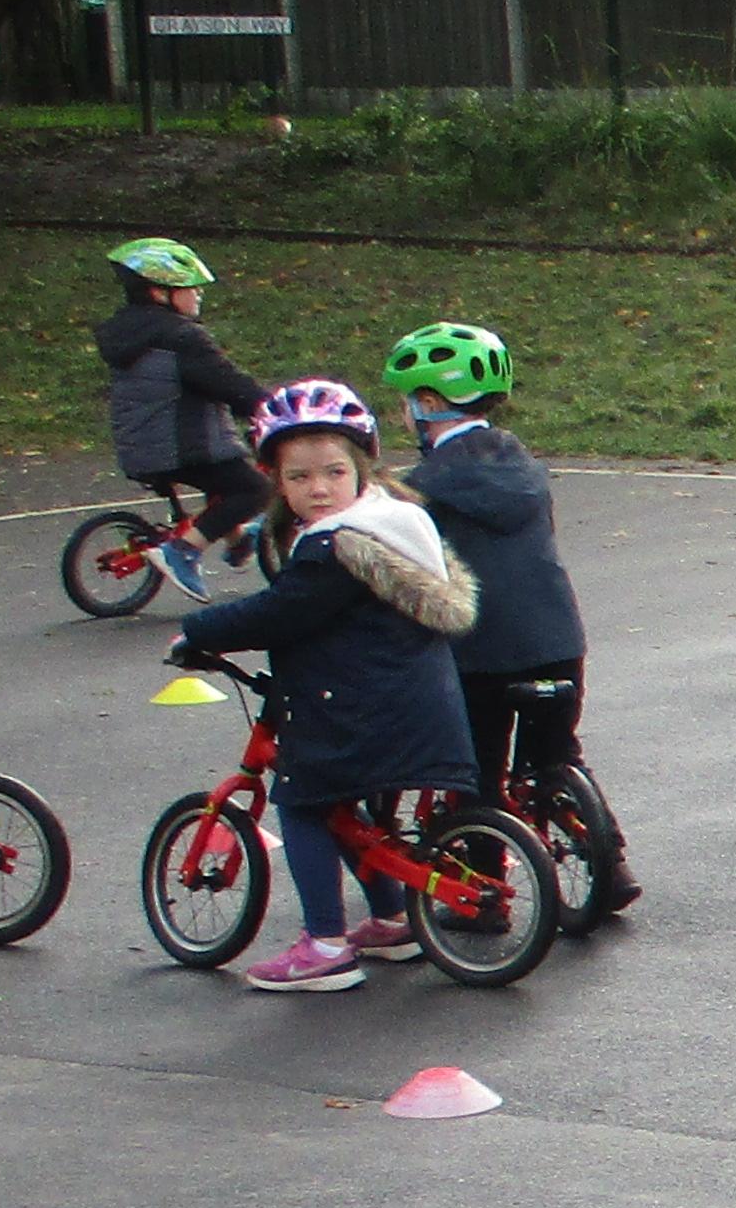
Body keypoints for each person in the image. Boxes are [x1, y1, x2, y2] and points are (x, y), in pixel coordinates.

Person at [167, 380, 482, 990]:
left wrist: (197, 631)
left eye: (334, 472)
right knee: (344, 806)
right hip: (418, 705)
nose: (318, 489)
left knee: (301, 803)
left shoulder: (336, 547)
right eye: (300, 477)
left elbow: (279, 612)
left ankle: (325, 946)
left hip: (356, 711)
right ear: (278, 482)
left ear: (361, 469)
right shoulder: (400, 523)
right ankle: (392, 919)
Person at [388, 320, 631, 920]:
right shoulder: (525, 467)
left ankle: (484, 892)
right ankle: (611, 864)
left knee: (476, 772)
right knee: (556, 755)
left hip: (481, 651)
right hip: (558, 639)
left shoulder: (419, 488)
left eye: (406, 400)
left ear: (427, 404)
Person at [95, 239, 270, 603]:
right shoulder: (181, 337)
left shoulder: (129, 334)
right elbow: (226, 382)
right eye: (191, 288)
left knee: (226, 472)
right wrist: (270, 406)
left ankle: (237, 537)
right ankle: (183, 551)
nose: (198, 295)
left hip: (142, 445)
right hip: (182, 447)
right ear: (160, 293)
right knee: (255, 489)